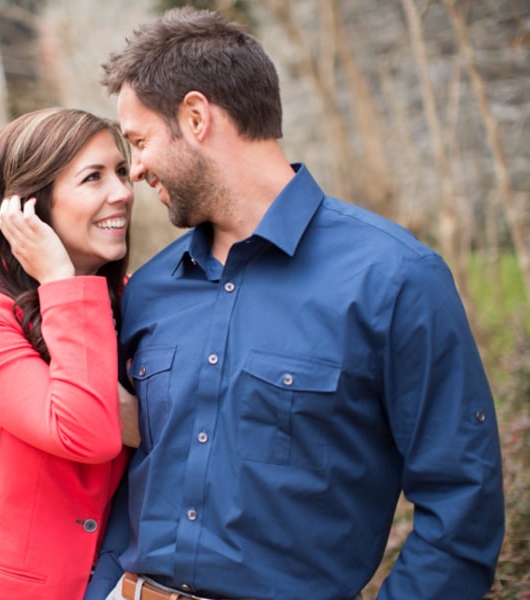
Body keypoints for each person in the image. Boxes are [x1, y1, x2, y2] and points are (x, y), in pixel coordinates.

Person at [85, 7, 505, 600]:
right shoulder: (151, 290)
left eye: (139, 141)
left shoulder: (395, 279)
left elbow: (463, 503)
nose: (137, 169)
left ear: (197, 116)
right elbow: (125, 480)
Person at [0, 107, 137, 599]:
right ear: (29, 208)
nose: (124, 192)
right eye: (93, 177)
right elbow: (87, 434)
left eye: (122, 171)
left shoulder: (142, 303)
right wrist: (61, 283)